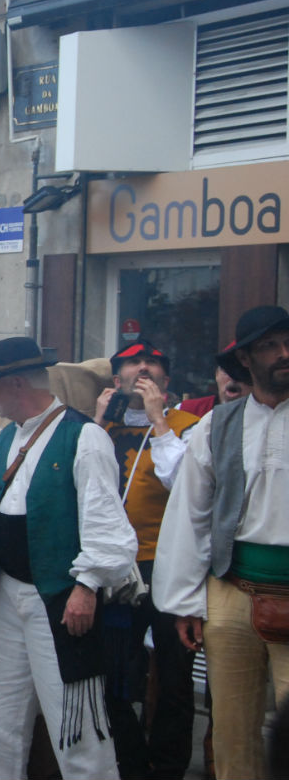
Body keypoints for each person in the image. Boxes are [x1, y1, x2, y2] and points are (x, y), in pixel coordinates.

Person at [0, 337, 137, 779]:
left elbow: (107, 525)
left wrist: (87, 585)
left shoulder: (84, 436)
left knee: (77, 727)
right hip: (6, 596)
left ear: (16, 383)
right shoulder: (3, 442)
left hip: (58, 598)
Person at [153, 305, 289, 780]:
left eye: (288, 342)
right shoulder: (217, 425)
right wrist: (186, 601)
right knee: (232, 732)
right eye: (270, 346)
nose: (284, 353)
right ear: (246, 359)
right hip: (232, 590)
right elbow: (190, 515)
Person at [92, 340, 199, 780]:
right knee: (112, 674)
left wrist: (159, 421)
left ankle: (169, 767)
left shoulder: (190, 425)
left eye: (153, 363)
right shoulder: (103, 428)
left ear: (167, 380)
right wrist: (96, 422)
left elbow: (188, 488)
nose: (143, 369)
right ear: (115, 380)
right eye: (132, 363)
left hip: (167, 565)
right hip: (115, 566)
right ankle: (131, 762)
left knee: (174, 676)